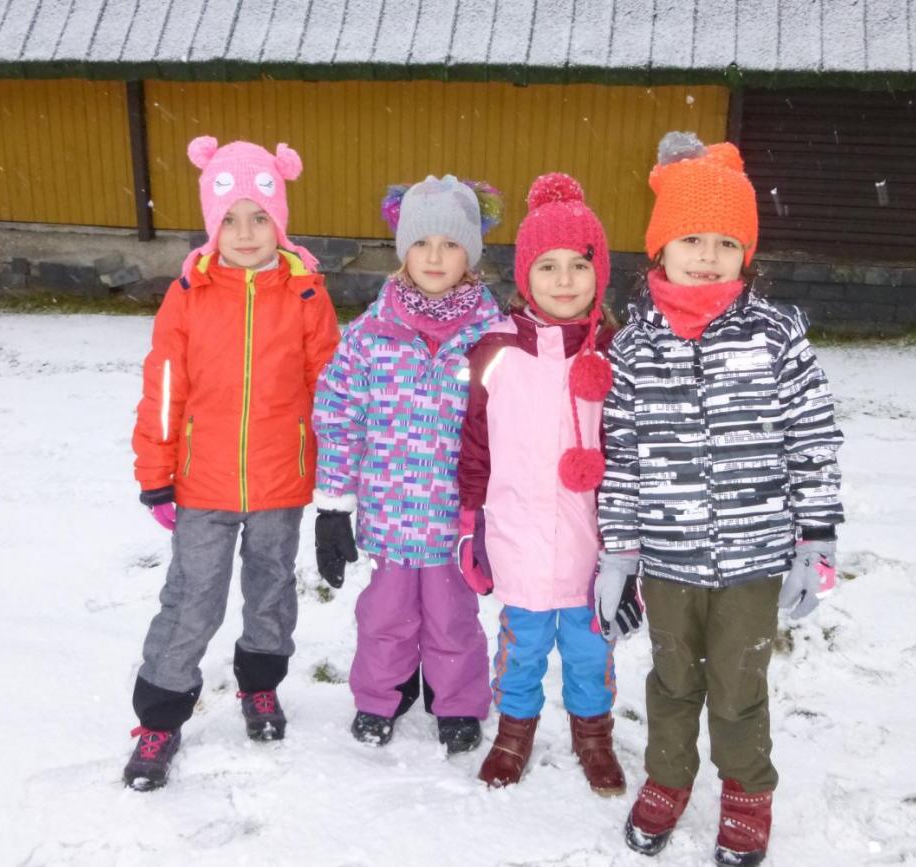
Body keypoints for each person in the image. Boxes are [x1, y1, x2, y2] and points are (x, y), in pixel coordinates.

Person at [596, 132, 844, 865]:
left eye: (726, 241)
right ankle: (668, 779)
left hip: (754, 555)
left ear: (748, 255)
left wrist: (816, 536)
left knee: (739, 683)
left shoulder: (777, 336)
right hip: (669, 558)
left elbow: (814, 437)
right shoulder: (635, 348)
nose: (707, 254)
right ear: (659, 248)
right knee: (672, 678)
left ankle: (747, 789)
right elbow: (622, 456)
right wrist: (618, 551)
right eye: (691, 237)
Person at [124, 136, 339, 791]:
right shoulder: (190, 294)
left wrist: (334, 476)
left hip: (281, 477)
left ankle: (261, 685)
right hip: (202, 481)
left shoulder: (305, 294)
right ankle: (161, 713)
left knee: (272, 590)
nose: (246, 233)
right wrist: (156, 471)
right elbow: (165, 387)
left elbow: (329, 384)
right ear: (211, 223)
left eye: (260, 217)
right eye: (231, 219)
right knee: (192, 599)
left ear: (280, 221)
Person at [311, 175, 504, 754]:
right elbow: (338, 416)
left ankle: (458, 703)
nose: (435, 256)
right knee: (386, 617)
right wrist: (333, 506)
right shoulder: (370, 335)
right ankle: (382, 696)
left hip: (454, 517)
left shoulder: (493, 335)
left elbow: (507, 426)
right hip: (390, 515)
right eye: (422, 243)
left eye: (450, 243)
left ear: (471, 251)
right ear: (403, 250)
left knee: (452, 618)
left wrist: (498, 504)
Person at [456, 172, 635, 795]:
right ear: (525, 275)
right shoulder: (497, 351)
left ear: (599, 272)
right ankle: (515, 731)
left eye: (579, 265)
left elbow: (630, 451)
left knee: (591, 652)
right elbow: (475, 445)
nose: (564, 281)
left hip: (591, 546)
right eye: (548, 266)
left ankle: (594, 735)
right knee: (522, 647)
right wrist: (469, 523)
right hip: (518, 536)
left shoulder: (616, 355)